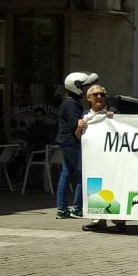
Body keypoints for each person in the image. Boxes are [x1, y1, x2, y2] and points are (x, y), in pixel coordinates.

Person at [80, 85, 126, 233]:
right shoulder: (85, 115)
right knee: (95, 185)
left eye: (102, 94)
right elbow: (78, 136)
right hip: (94, 159)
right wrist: (79, 127)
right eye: (95, 95)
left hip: (112, 158)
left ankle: (119, 219)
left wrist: (114, 120)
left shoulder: (113, 112)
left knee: (113, 184)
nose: (99, 97)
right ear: (89, 98)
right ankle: (98, 219)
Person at [54, 72, 98, 219]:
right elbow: (77, 125)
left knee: (66, 174)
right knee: (81, 174)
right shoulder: (73, 104)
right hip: (72, 143)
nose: (87, 90)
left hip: (65, 142)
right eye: (84, 86)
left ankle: (61, 209)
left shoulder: (68, 102)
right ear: (76, 87)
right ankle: (77, 208)